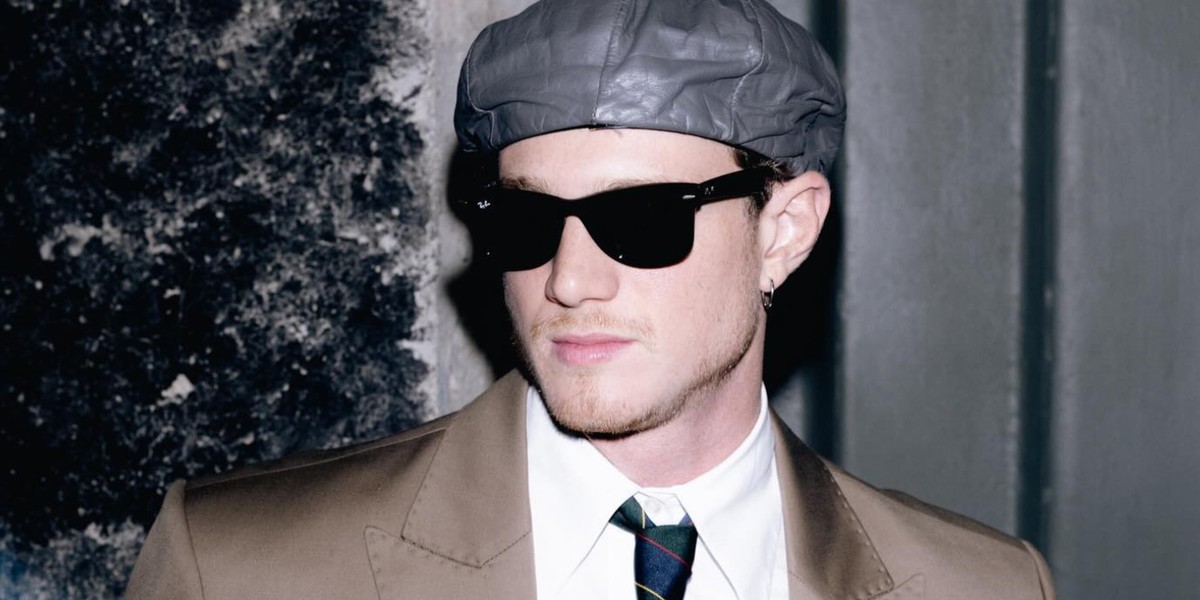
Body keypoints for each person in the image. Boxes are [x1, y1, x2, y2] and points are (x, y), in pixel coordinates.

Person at [124, 0, 1056, 598]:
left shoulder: (986, 588)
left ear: (784, 231)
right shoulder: (241, 569)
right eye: (528, 222)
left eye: (643, 220)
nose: (569, 280)